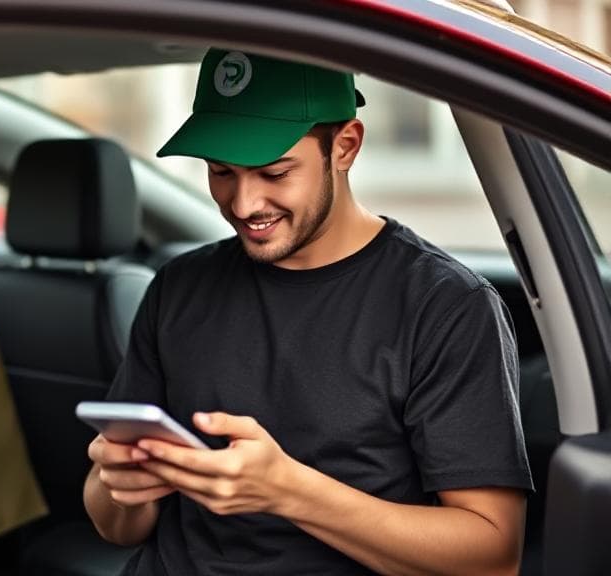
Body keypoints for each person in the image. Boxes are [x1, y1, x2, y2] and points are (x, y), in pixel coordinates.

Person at [83, 49, 533, 575]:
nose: (244, 204)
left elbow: (492, 559)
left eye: (274, 172)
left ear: (344, 146)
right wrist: (119, 488)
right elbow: (116, 527)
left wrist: (288, 492)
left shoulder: (445, 305)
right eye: (221, 171)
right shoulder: (179, 287)